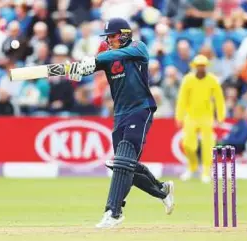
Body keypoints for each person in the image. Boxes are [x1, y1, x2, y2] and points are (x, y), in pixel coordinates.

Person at [67, 18, 175, 228]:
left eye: (111, 37)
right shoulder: (107, 56)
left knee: (123, 160)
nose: (108, 41)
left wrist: (96, 58)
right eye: (107, 38)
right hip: (120, 115)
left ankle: (113, 212)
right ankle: (162, 189)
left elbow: (114, 55)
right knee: (125, 166)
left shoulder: (138, 48)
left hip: (140, 109)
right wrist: (77, 70)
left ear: (124, 34)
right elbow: (86, 68)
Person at [175, 55, 226, 183]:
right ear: (194, 66)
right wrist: (179, 116)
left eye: (203, 66)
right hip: (191, 116)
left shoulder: (212, 80)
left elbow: (219, 99)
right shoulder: (188, 79)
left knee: (208, 145)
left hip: (206, 117)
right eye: (199, 66)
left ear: (206, 66)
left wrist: (220, 116)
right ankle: (192, 167)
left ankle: (206, 172)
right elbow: (182, 99)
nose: (201, 68)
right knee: (188, 145)